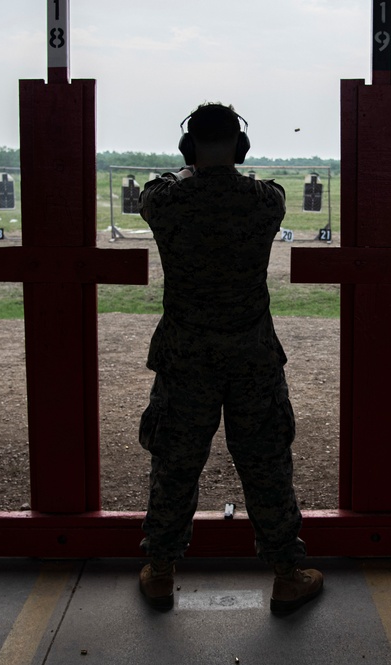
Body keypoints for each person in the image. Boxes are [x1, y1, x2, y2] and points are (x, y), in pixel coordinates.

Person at [136, 103, 323, 614]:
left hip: (185, 355)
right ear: (240, 147)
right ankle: (287, 572)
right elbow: (270, 196)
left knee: (175, 463)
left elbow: (154, 194)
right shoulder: (265, 201)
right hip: (252, 356)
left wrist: (185, 173)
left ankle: (160, 572)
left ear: (188, 146)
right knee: (266, 464)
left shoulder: (166, 200)